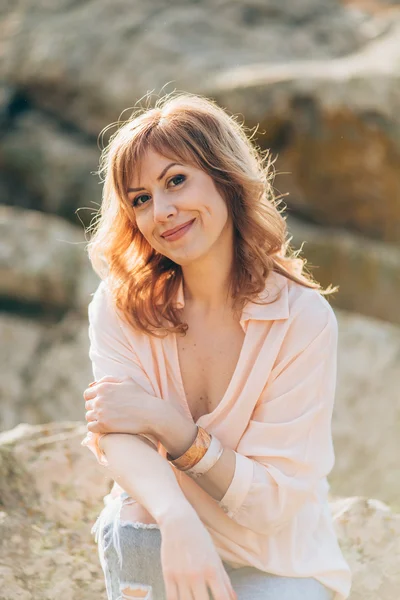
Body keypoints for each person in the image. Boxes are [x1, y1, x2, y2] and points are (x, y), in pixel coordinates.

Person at [81, 92, 352, 600]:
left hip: (276, 557)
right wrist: (178, 520)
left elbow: (271, 507)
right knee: (138, 530)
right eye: (140, 199)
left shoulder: (302, 319)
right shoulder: (122, 304)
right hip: (158, 534)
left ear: (224, 177)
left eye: (176, 180)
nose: (162, 211)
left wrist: (169, 425)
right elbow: (116, 433)